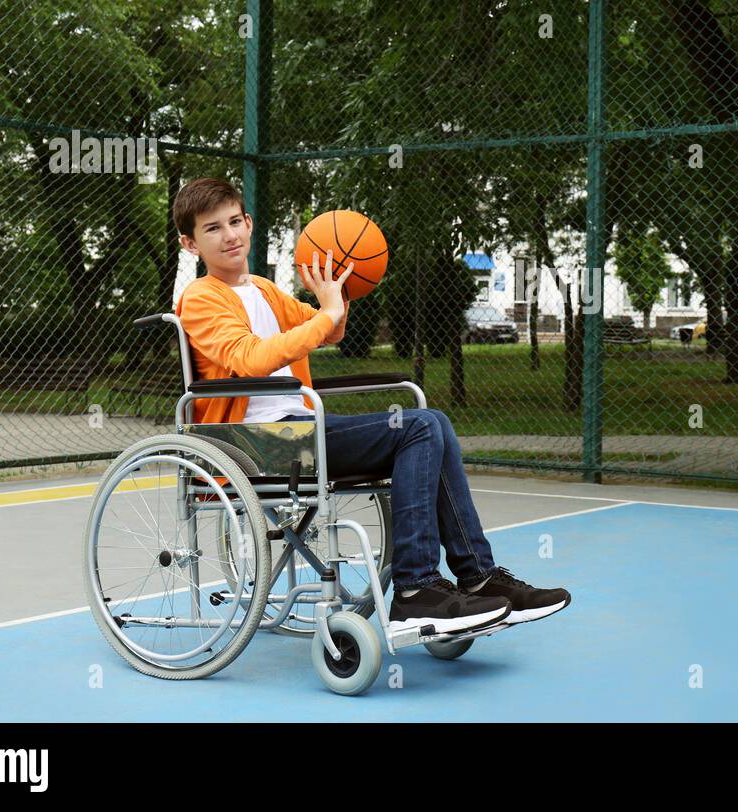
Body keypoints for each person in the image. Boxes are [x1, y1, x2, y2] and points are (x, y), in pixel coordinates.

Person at [171, 177, 570, 637]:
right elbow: (250, 358)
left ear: (250, 221)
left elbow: (331, 329)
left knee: (431, 421)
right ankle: (416, 589)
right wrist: (324, 315)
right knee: (420, 426)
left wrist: (336, 294)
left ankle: (477, 576)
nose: (230, 235)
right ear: (190, 242)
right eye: (213, 228)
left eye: (235, 221)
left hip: (297, 429)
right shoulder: (201, 298)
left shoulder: (261, 289)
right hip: (255, 446)